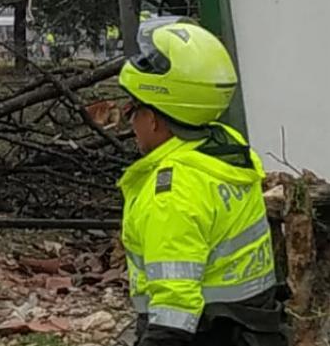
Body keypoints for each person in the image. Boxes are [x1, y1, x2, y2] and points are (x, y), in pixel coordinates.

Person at [118, 17, 285, 346]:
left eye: (132, 110)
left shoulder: (171, 194)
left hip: (208, 334)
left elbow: (174, 312)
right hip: (255, 329)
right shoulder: (226, 152)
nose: (130, 122)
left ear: (153, 118)